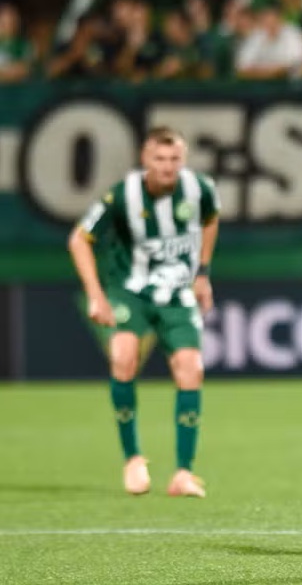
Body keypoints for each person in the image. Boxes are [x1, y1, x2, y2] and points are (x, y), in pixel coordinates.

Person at [67, 127, 220, 498]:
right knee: (123, 357)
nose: (167, 166)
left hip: (177, 292)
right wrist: (96, 296)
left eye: (174, 159)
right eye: (159, 159)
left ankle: (183, 473)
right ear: (145, 159)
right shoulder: (123, 196)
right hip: (130, 291)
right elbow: (79, 239)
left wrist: (202, 273)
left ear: (183, 160)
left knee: (191, 368)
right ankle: (133, 459)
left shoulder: (200, 189)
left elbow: (210, 219)